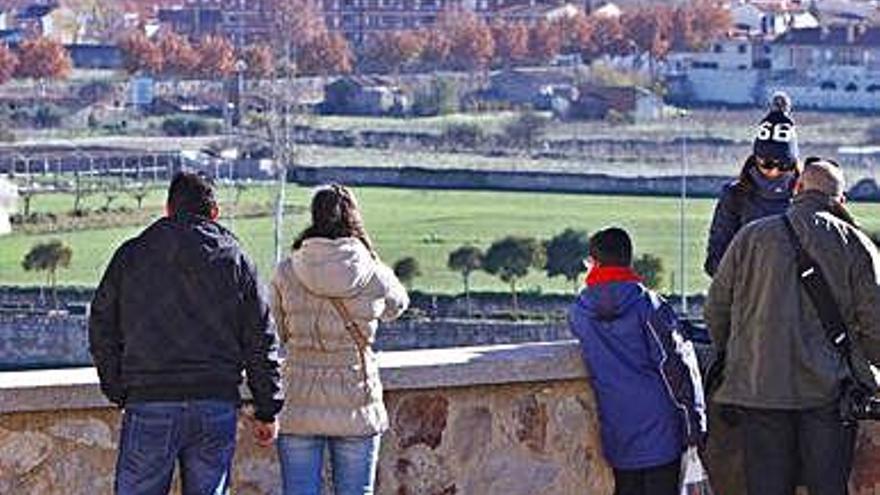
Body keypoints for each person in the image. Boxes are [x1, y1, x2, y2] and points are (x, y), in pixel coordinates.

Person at [89, 172, 283, 495]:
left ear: (168, 209)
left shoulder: (132, 254)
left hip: (149, 400)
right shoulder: (235, 257)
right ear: (215, 212)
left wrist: (119, 390)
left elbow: (101, 326)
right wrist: (267, 408)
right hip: (215, 402)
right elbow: (260, 337)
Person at [705, 159, 880, 495]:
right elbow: (874, 324)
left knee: (766, 487)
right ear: (840, 201)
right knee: (827, 487)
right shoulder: (855, 244)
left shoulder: (750, 237)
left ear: (797, 189)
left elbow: (716, 311)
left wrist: (738, 356)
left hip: (760, 390)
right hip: (828, 394)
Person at [270, 183, 409, 495]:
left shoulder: (287, 271)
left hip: (299, 397)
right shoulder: (372, 270)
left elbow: (279, 331)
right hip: (356, 395)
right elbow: (397, 306)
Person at [569, 227, 706, 495]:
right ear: (628, 260)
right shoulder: (649, 306)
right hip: (660, 428)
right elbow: (673, 366)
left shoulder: (579, 313)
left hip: (617, 429)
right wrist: (694, 421)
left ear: (594, 263)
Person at [704, 92, 801, 277]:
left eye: (783, 165)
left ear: (794, 164)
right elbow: (714, 260)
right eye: (767, 164)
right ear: (755, 160)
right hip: (748, 297)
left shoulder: (807, 197)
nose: (774, 172)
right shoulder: (734, 196)